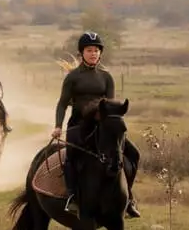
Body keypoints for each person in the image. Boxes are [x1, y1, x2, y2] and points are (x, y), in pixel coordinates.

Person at [51, 31, 140, 218]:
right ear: (81, 53)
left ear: (101, 53)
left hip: (102, 126)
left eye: (96, 50)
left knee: (133, 154)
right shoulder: (72, 77)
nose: (93, 53)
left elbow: (110, 105)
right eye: (89, 50)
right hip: (78, 125)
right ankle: (72, 197)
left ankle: (128, 198)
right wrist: (58, 126)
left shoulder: (106, 77)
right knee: (71, 158)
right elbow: (62, 103)